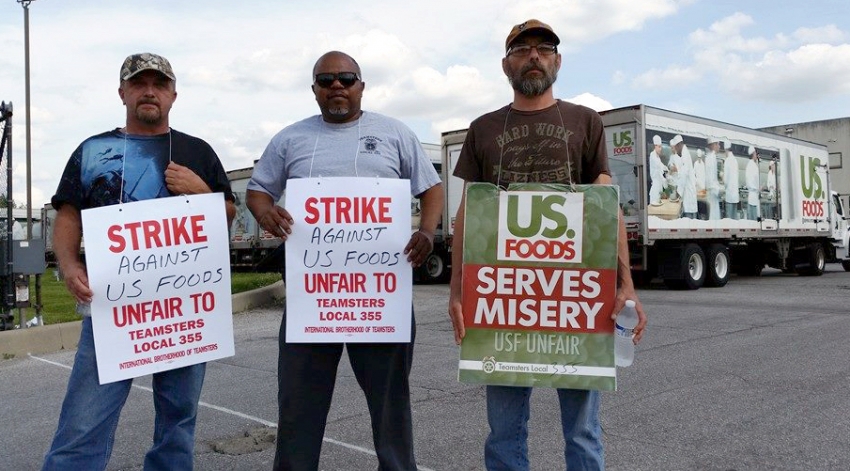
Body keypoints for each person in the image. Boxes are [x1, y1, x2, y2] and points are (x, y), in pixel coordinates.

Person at [446, 19, 647, 471]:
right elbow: (467, 215)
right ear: (506, 64)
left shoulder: (585, 121)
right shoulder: (482, 129)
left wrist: (627, 283)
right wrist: (457, 290)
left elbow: (605, 204)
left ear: (558, 60)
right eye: (521, 49)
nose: (533, 55)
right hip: (503, 300)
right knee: (503, 431)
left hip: (573, 301)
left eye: (544, 48)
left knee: (582, 431)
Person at [245, 51, 443, 471]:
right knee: (299, 406)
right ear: (314, 89)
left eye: (347, 78)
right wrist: (264, 211)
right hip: (312, 300)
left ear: (361, 86)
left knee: (391, 407)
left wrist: (426, 231)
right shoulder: (289, 139)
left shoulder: (394, 133)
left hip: (379, 299)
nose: (337, 86)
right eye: (326, 79)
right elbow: (259, 190)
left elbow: (432, 189)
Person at [42, 52, 236, 470]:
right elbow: (68, 214)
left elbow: (228, 216)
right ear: (122, 92)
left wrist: (201, 191)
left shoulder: (196, 151)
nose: (150, 91)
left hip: (183, 311)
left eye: (159, 84)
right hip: (113, 309)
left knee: (178, 419)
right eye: (139, 83)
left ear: (173, 95)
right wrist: (69, 264)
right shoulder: (92, 150)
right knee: (84, 421)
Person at [670, 135, 697, 219]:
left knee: (689, 223)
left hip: (689, 196)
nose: (676, 151)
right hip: (688, 195)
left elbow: (683, 175)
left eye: (676, 148)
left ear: (679, 145)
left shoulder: (685, 155)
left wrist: (678, 193)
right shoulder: (684, 154)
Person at [704, 137, 722, 220]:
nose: (719, 146)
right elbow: (710, 180)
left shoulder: (711, 157)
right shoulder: (711, 158)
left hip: (713, 193)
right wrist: (718, 190)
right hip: (712, 194)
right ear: (714, 145)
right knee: (713, 218)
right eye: (718, 144)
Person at [722, 141, 740, 219]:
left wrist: (722, 176)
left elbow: (726, 181)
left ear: (726, 150)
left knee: (729, 220)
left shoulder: (727, 161)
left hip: (729, 196)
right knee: (734, 220)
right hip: (735, 195)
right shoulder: (735, 160)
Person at [648, 135, 667, 206]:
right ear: (655, 146)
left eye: (661, 147)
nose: (660, 149)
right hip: (655, 188)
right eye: (659, 147)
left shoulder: (658, 157)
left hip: (659, 188)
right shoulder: (652, 155)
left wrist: (665, 184)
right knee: (654, 209)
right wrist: (665, 168)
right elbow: (659, 165)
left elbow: (661, 171)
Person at [745, 146, 760, 220]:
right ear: (753, 154)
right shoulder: (752, 166)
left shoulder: (750, 165)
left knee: (752, 220)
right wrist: (759, 188)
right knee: (754, 220)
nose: (757, 155)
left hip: (752, 196)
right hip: (753, 197)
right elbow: (753, 182)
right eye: (756, 153)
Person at [694, 148, 706, 219]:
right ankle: (698, 216)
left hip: (702, 187)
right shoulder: (695, 164)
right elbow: (693, 174)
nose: (699, 159)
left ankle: (702, 216)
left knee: (702, 203)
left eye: (700, 157)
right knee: (698, 203)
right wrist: (696, 182)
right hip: (697, 187)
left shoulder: (703, 164)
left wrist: (703, 187)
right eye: (698, 157)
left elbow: (704, 176)